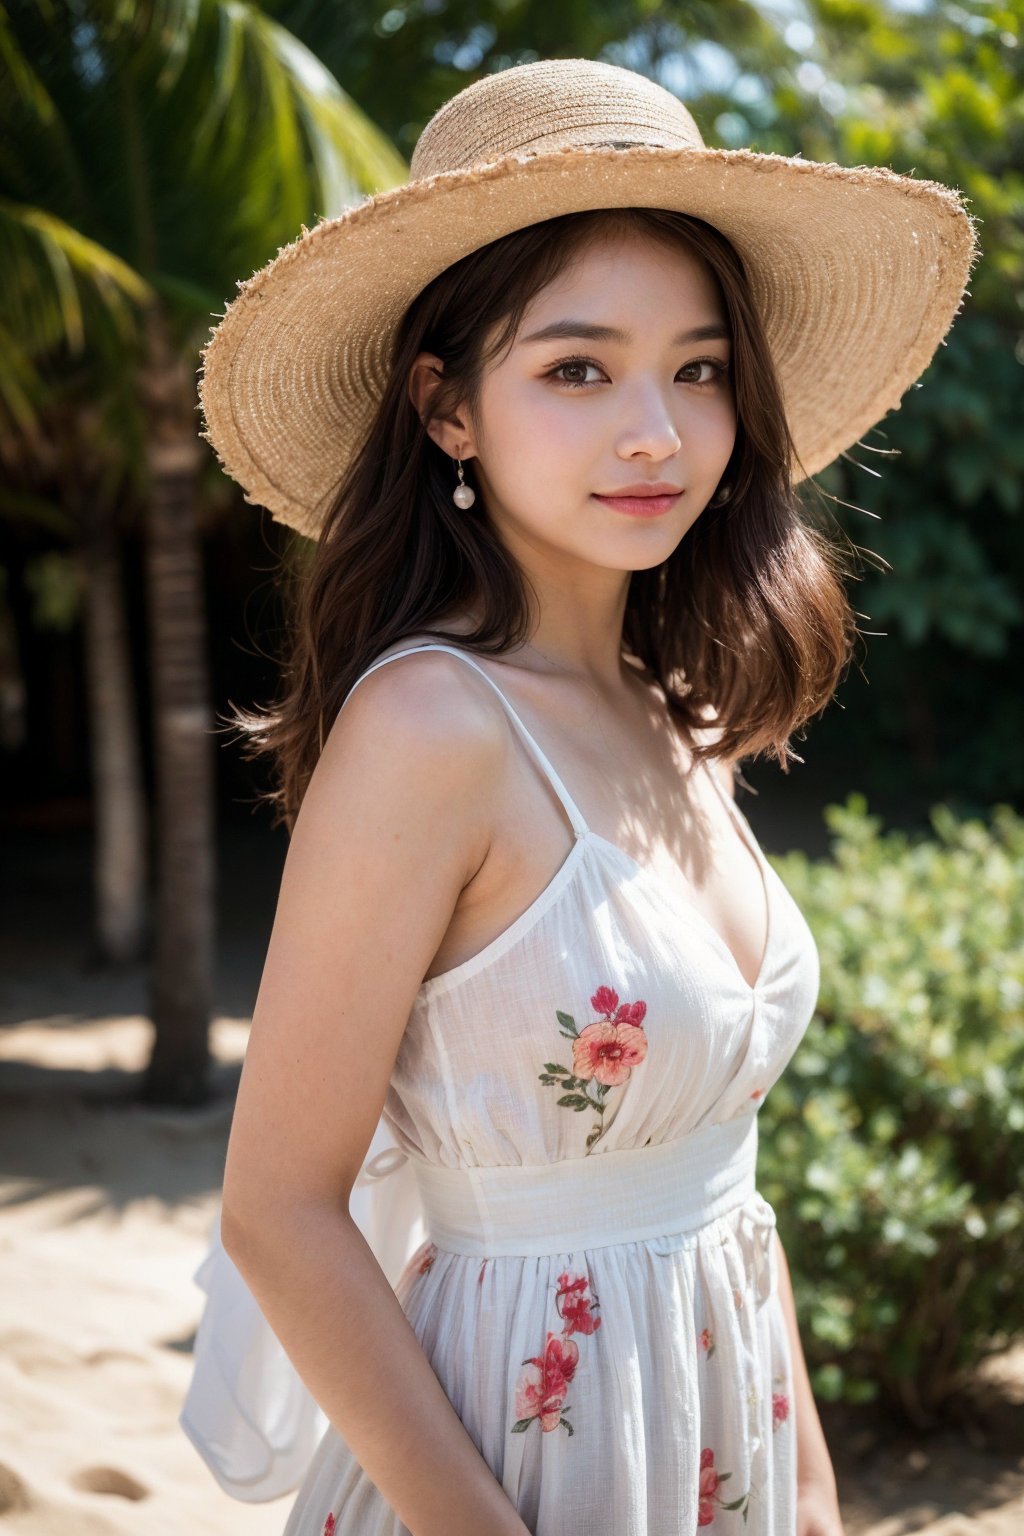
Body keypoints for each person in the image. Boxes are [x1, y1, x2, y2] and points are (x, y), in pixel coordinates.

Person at [179, 55, 977, 1536]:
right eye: (576, 368)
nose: (657, 433)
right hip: (508, 1466)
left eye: (700, 367)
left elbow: (718, 1171)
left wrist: (809, 1491)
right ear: (446, 408)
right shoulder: (431, 727)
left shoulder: (677, 710)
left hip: (721, 1436)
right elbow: (278, 1214)